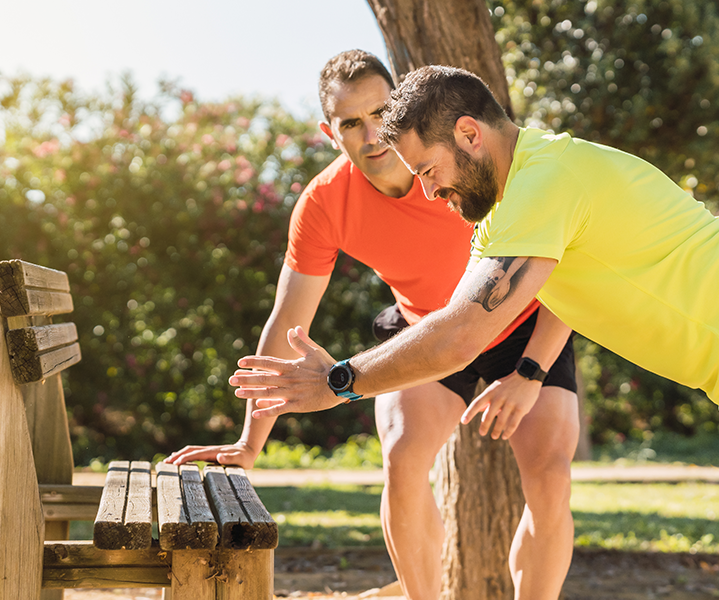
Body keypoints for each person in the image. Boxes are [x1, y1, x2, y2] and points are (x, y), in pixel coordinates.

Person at [231, 65, 719, 551]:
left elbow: (459, 337)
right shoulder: (508, 211)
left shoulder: (542, 183)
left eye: (430, 171)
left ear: (469, 134)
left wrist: (337, 382)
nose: (430, 192)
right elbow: (448, 326)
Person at [167, 53, 579, 600]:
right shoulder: (323, 203)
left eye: (382, 113)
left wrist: (531, 371)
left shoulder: (464, 164)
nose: (372, 134)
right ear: (329, 132)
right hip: (424, 332)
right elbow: (288, 321)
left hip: (525, 328)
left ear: (402, 105)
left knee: (550, 479)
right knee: (403, 456)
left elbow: (571, 272)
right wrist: (249, 443)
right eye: (350, 123)